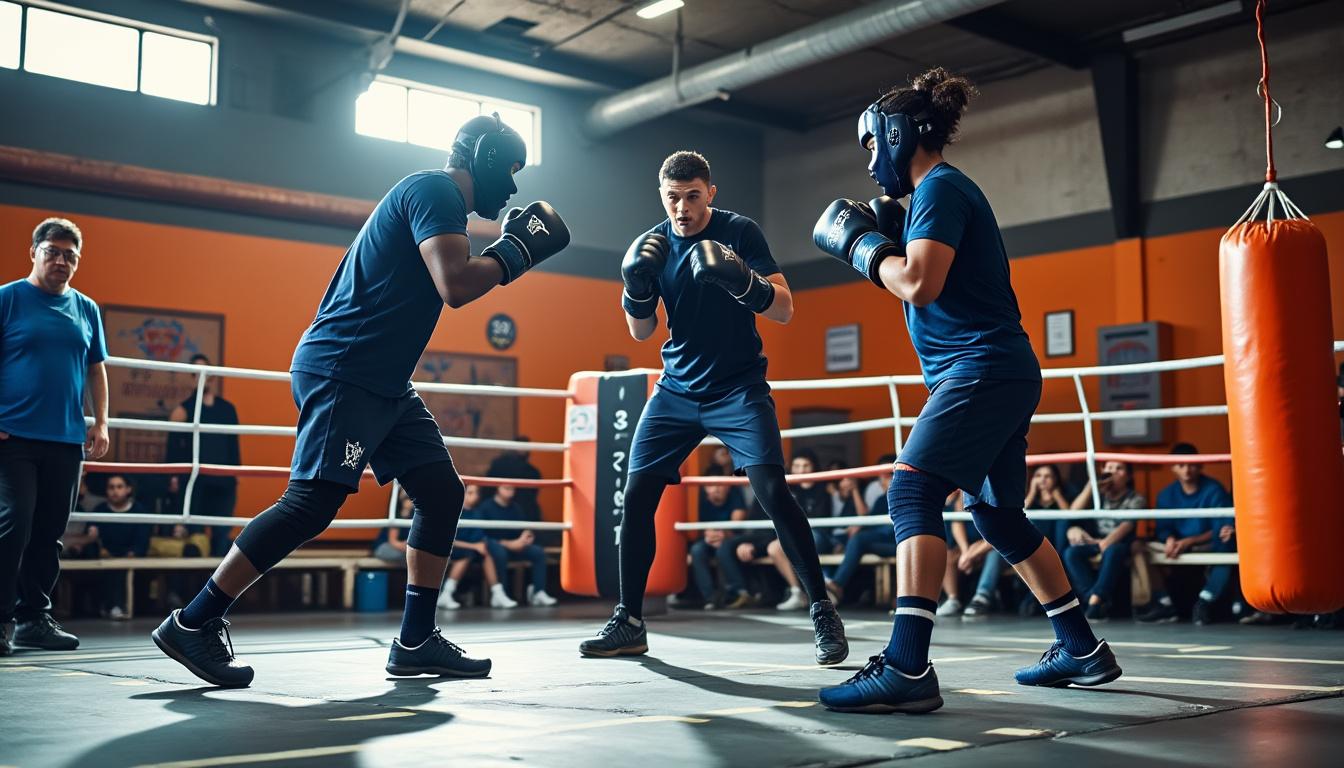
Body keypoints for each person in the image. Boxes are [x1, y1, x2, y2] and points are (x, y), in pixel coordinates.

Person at [151, 113, 570, 687]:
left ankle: (417, 639)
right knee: (311, 504)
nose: (515, 189)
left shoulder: (434, 197)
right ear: (489, 160)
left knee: (441, 492)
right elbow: (455, 285)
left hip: (385, 383)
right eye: (513, 171)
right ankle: (193, 622)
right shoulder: (435, 190)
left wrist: (505, 251)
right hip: (346, 371)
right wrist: (515, 251)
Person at [813, 68, 1119, 713]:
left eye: (872, 146)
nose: (869, 162)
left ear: (897, 136)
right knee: (999, 517)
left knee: (912, 488)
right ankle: (1081, 650)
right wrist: (887, 239)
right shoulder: (935, 196)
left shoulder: (942, 188)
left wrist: (862, 247)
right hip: (997, 367)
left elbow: (918, 282)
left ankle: (906, 666)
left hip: (979, 368)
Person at [580, 150, 848, 665]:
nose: (682, 209)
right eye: (672, 198)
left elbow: (786, 309)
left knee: (772, 489)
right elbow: (642, 332)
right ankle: (629, 621)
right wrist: (635, 288)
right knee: (635, 496)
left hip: (737, 389)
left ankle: (822, 610)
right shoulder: (652, 245)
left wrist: (742, 280)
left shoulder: (739, 231)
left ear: (711, 193)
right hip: (676, 390)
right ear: (663, 196)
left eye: (693, 197)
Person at [0, 218, 110, 657]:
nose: (61, 261)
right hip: (14, 438)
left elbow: (95, 367)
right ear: (34, 253)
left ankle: (33, 619)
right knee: (14, 524)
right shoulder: (8, 299)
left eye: (70, 255)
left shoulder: (86, 309)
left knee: (49, 532)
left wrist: (100, 422)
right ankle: (2, 620)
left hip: (65, 438)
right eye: (53, 252)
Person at [1135, 444, 1236, 625]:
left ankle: (1206, 600)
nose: (1187, 470)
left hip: (1207, 543)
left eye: (1191, 464)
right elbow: (1163, 528)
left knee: (1228, 544)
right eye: (1181, 465)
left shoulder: (1214, 489)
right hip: (1178, 547)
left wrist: (1190, 541)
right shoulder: (1166, 494)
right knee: (1140, 547)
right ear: (1173, 467)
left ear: (1200, 465)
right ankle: (1164, 603)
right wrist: (1169, 539)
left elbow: (1221, 528)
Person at [167, 353, 243, 557]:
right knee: (195, 536)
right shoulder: (182, 411)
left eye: (205, 372)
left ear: (212, 376)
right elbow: (173, 449)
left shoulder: (228, 409)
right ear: (191, 377)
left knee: (221, 535)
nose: (201, 377)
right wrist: (174, 476)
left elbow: (233, 444)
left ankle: (220, 587)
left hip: (224, 481)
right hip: (196, 479)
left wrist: (235, 474)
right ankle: (195, 588)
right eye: (196, 373)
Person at [1062, 461, 1145, 621]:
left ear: (1128, 476)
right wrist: (1091, 485)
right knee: (1071, 553)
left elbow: (1126, 527)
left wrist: (1103, 543)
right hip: (1094, 541)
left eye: (1118, 469)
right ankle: (1094, 601)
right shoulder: (1097, 495)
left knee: (1114, 550)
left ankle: (1094, 602)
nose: (1112, 472)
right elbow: (1073, 512)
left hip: (1119, 542)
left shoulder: (1136, 498)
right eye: (1108, 468)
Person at [770, 450, 844, 610]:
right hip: (795, 532)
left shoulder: (826, 486)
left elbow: (840, 511)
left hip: (822, 535)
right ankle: (797, 592)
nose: (801, 470)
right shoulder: (787, 488)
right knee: (774, 548)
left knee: (797, 544)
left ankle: (819, 591)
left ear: (813, 467)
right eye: (797, 466)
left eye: (805, 465)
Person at [478, 483, 558, 606]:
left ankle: (538, 592)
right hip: (495, 546)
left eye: (512, 488)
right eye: (507, 488)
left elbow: (523, 527)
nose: (510, 491)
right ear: (497, 488)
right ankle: (500, 595)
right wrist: (508, 543)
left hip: (517, 546)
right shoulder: (486, 507)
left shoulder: (515, 507)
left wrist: (526, 537)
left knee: (538, 552)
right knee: (499, 552)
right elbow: (482, 536)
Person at [441, 484, 515, 610]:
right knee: (466, 554)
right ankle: (445, 594)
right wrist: (474, 546)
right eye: (470, 492)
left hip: (471, 549)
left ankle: (497, 593)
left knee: (485, 553)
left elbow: (479, 537)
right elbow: (446, 539)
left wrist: (480, 545)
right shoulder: (451, 511)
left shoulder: (477, 513)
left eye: (476, 493)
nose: (474, 496)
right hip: (452, 548)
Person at [687, 469, 750, 609]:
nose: (715, 489)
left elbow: (737, 524)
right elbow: (699, 528)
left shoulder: (735, 496)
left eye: (720, 484)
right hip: (710, 539)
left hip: (735, 537)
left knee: (724, 548)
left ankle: (739, 592)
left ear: (727, 485)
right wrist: (708, 535)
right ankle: (710, 598)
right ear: (705, 488)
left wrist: (724, 534)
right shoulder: (700, 502)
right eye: (711, 485)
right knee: (697, 550)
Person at [93, 474, 152, 620]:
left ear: (128, 489)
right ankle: (106, 606)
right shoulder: (99, 509)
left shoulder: (139, 510)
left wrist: (133, 552)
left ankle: (117, 606)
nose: (115, 491)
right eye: (111, 487)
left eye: (119, 487)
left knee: (120, 565)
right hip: (105, 555)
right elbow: (92, 535)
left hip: (130, 555)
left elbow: (142, 540)